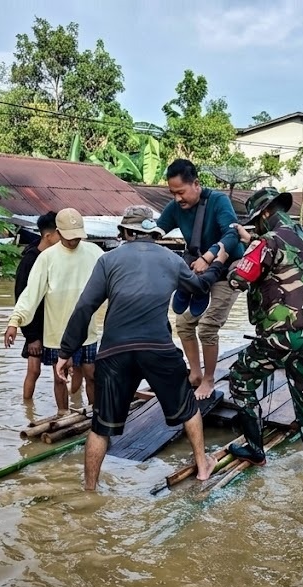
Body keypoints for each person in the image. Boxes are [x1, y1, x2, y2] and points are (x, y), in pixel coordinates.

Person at [55, 205, 231, 491]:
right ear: (151, 233)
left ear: (126, 232)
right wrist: (219, 263)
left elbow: (85, 307)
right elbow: (199, 288)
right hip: (157, 349)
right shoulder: (171, 260)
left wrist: (65, 353)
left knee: (101, 425)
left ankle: (89, 489)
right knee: (187, 407)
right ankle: (203, 465)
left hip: (114, 353)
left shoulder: (108, 260)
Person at [225, 187, 303, 478]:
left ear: (265, 213)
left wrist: (237, 260)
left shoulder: (267, 242)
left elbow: (239, 280)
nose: (255, 226)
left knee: (240, 378)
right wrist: (255, 243)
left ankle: (256, 450)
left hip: (279, 337)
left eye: (256, 220)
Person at [157, 158, 244, 400]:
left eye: (181, 192)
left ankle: (208, 380)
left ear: (196, 184)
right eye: (173, 193)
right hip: (200, 273)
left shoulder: (218, 201)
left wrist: (208, 257)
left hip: (226, 272)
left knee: (207, 327)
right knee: (183, 322)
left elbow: (232, 233)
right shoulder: (177, 207)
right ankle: (195, 374)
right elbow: (156, 230)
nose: (177, 199)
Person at [4, 207, 103, 416]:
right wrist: (15, 321)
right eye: (69, 238)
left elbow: (113, 283)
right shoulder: (46, 258)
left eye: (78, 237)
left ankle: (96, 415)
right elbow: (31, 294)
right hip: (56, 332)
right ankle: (63, 414)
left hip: (87, 331)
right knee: (60, 376)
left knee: (92, 374)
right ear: (58, 232)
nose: (74, 241)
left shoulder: (94, 252)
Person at [13, 212, 60, 400]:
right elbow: (21, 299)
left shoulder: (57, 257)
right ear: (48, 236)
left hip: (56, 323)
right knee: (34, 371)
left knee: (61, 372)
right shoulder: (30, 260)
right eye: (61, 234)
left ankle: (69, 409)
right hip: (36, 324)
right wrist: (31, 336)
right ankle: (28, 409)